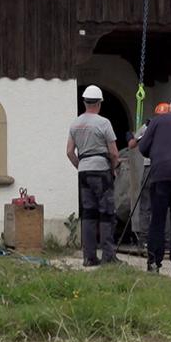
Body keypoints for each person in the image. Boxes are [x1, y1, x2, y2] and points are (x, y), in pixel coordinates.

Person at [66, 85, 120, 266]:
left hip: (84, 171)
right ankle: (108, 257)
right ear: (99, 103)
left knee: (88, 214)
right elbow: (114, 153)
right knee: (106, 213)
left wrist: (80, 166)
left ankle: (89, 258)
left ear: (84, 102)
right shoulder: (103, 123)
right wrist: (113, 168)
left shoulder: (75, 123)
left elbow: (69, 152)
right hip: (101, 170)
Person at [137, 98, 171, 276]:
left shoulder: (158, 121)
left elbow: (143, 146)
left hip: (160, 174)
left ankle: (154, 263)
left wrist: (154, 152)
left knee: (158, 219)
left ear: (170, 108)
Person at [127, 101, 170, 253]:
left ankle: (144, 239)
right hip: (166, 168)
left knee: (146, 204)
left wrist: (135, 137)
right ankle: (166, 240)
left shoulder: (148, 125)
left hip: (150, 168)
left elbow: (132, 144)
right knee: (166, 204)